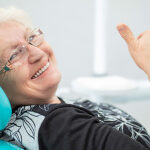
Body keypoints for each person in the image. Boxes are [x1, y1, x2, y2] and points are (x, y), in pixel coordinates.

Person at [0, 7, 149, 150]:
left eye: (31, 38)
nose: (38, 53)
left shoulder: (49, 113)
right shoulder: (59, 125)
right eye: (14, 55)